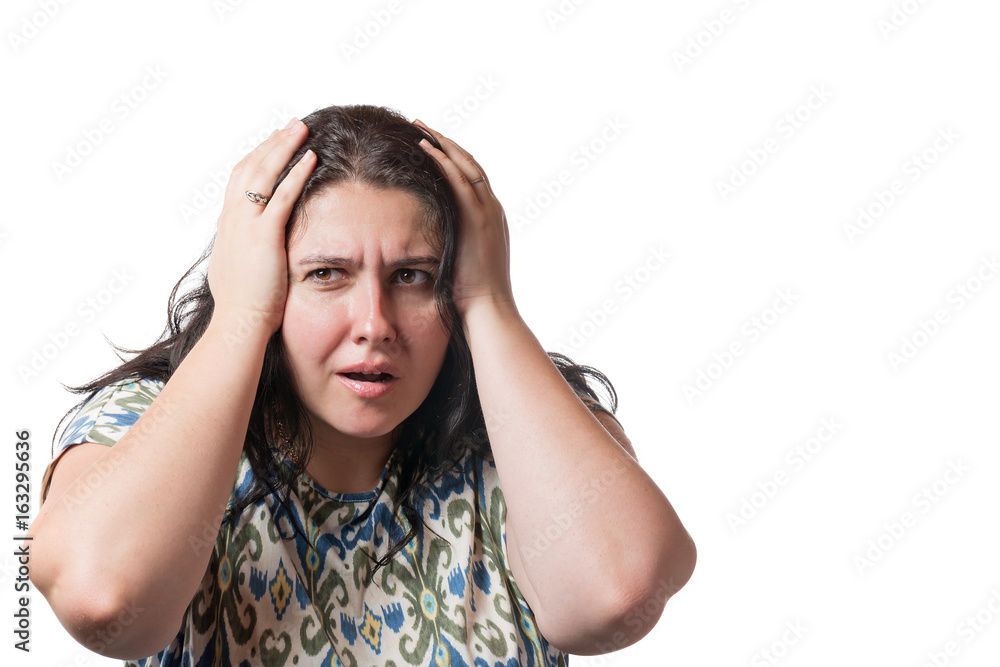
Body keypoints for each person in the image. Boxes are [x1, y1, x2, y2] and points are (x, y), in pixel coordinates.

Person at [29, 104, 696, 666]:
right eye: (327, 274)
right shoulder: (143, 420)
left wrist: (491, 303)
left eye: (412, 275)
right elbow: (103, 599)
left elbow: (618, 594)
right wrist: (238, 317)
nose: (374, 324)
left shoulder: (523, 428)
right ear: (266, 278)